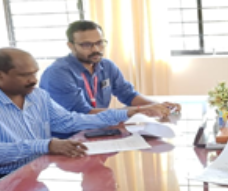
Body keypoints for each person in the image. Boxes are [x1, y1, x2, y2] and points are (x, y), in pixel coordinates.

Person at [0, 48, 146, 191]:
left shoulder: (38, 96)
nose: (33, 80)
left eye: (34, 73)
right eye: (25, 75)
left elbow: (70, 121)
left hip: (27, 173)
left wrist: (126, 113)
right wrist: (46, 145)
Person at [40, 20, 180, 120]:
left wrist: (158, 105)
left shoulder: (106, 66)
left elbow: (128, 95)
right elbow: (82, 114)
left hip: (100, 128)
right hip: (68, 137)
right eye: (87, 45)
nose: (96, 49)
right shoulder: (58, 73)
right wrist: (140, 110)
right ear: (71, 46)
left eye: (99, 43)